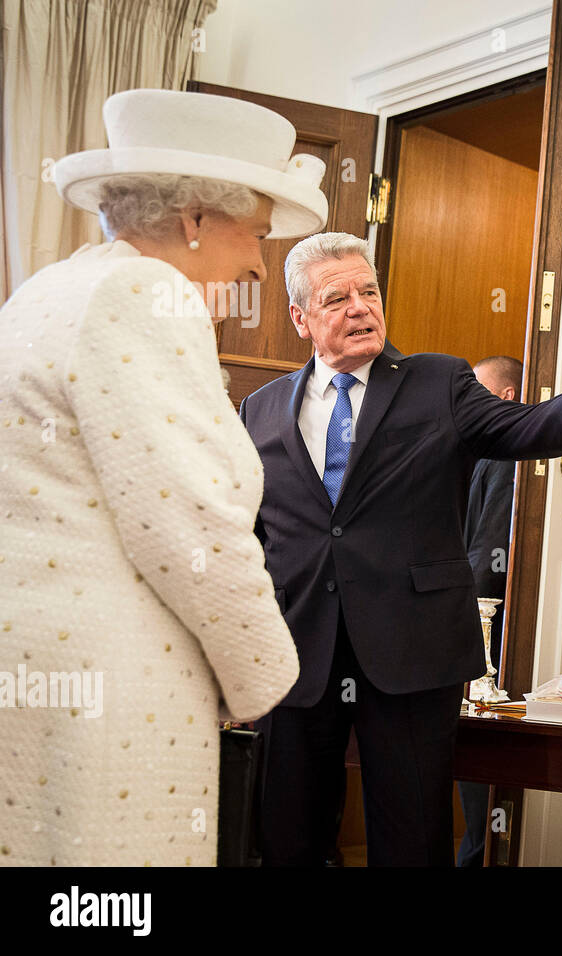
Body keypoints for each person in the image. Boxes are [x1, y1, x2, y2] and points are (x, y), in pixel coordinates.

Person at [239, 233, 562, 866]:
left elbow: (517, 428)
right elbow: (247, 530)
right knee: (287, 837)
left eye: (369, 291)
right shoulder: (259, 409)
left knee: (412, 838)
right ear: (300, 318)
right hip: (297, 651)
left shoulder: (439, 381)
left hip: (412, 650)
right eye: (337, 297)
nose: (360, 307)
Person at [0, 88, 326, 865]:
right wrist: (267, 676)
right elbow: (189, 520)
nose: (257, 260)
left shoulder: (43, 289)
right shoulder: (146, 293)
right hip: (112, 681)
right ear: (196, 221)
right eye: (255, 234)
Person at [456, 355, 523, 867]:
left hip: (488, 624)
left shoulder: (504, 452)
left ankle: (477, 856)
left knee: (481, 740)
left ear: (504, 398)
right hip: (473, 617)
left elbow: (489, 548)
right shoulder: (475, 453)